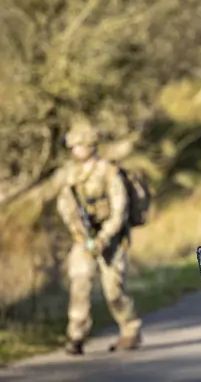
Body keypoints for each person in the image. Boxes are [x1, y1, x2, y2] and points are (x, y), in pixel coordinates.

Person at [56, 121, 143, 355]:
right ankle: (76, 336)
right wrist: (80, 233)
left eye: (77, 145)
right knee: (79, 282)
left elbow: (120, 209)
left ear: (89, 145)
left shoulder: (109, 171)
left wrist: (104, 237)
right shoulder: (70, 174)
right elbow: (66, 206)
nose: (73, 150)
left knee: (113, 289)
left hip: (111, 238)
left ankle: (130, 330)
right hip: (83, 238)